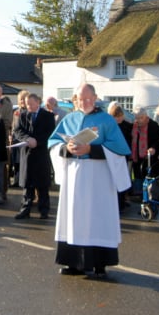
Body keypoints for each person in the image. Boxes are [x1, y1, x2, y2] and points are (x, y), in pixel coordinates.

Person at [47, 84, 131, 278]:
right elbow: (53, 143)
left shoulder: (106, 121)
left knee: (98, 217)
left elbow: (120, 150)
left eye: (88, 99)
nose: (84, 102)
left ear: (95, 98)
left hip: (99, 174)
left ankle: (100, 263)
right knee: (74, 217)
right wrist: (66, 148)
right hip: (75, 175)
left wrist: (91, 150)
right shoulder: (69, 119)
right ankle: (74, 263)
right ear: (75, 100)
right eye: (80, 99)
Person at [13, 93, 56, 219]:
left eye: (31, 104)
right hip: (27, 153)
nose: (29, 106)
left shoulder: (48, 116)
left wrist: (37, 141)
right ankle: (25, 209)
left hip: (41, 154)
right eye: (27, 104)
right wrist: (27, 139)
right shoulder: (22, 115)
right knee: (27, 184)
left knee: (42, 184)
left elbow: (50, 133)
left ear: (38, 102)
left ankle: (44, 210)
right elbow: (17, 130)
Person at [109, 103, 134, 210]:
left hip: (124, 155)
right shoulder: (110, 126)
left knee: (123, 178)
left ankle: (122, 201)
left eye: (120, 116)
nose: (119, 118)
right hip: (113, 156)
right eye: (116, 116)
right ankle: (116, 202)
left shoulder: (128, 125)